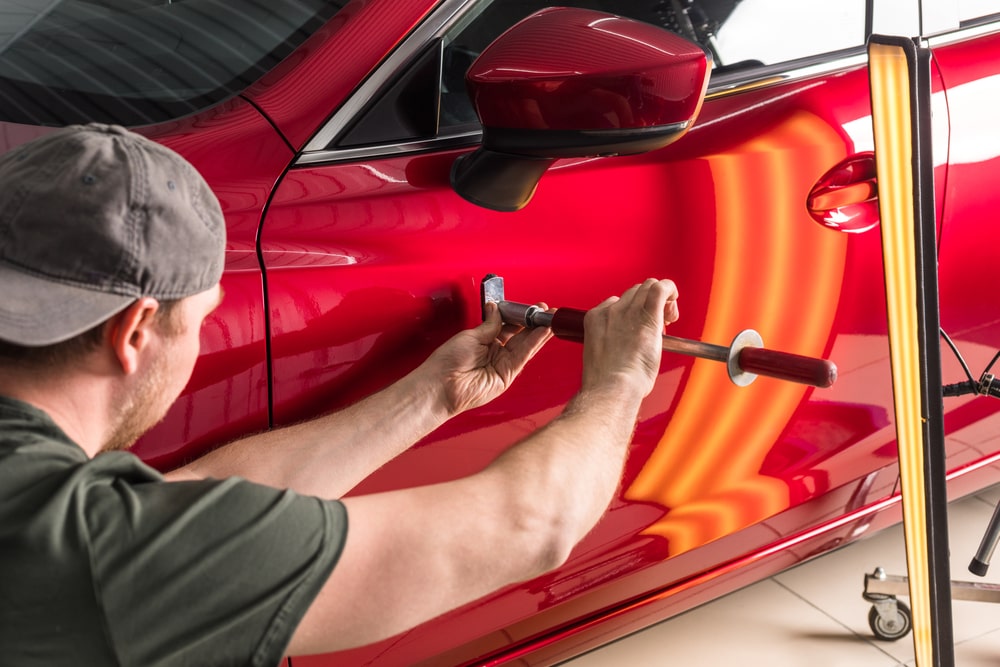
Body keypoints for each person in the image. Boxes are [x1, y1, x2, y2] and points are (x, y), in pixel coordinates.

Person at [0, 123, 679, 665]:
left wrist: (430, 397)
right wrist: (621, 381)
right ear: (136, 328)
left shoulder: (63, 516)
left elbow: (187, 502)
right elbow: (529, 526)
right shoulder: (96, 554)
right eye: (201, 318)